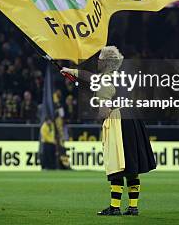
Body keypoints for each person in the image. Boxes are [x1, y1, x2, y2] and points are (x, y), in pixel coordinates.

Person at [61, 46, 156, 216]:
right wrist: (71, 71)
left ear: (105, 62)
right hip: (133, 118)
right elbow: (92, 78)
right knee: (131, 164)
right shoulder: (121, 76)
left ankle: (115, 207)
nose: (97, 60)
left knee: (116, 163)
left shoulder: (105, 80)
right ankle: (133, 207)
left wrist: (99, 115)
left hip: (117, 120)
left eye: (100, 58)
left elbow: (104, 110)